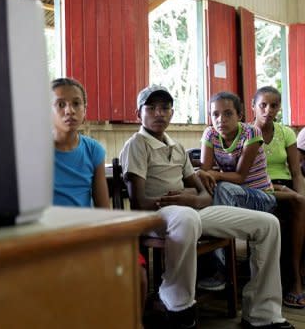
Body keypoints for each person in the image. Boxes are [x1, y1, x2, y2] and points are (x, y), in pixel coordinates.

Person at [120, 85, 293, 329]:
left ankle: (262, 313)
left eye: (165, 108)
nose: (159, 113)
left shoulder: (177, 147)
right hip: (157, 217)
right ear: (139, 114)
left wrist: (191, 200)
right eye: (151, 108)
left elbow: (203, 195)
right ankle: (177, 305)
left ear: (171, 113)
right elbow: (139, 203)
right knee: (186, 218)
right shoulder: (136, 144)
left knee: (267, 224)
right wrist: (179, 201)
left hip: (190, 213)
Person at [51, 77, 149, 317]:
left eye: (76, 104)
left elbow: (103, 208)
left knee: (139, 274)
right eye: (60, 104)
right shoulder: (34, 149)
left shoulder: (93, 150)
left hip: (86, 230)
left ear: (85, 109)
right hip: (48, 233)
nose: (69, 111)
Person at [252, 86, 305, 308]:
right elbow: (246, 174)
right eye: (263, 105)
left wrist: (300, 194)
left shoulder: (286, 133)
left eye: (274, 106)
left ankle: (296, 276)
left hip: (286, 185)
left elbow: (296, 171)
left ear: (279, 108)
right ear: (253, 106)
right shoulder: (245, 132)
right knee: (295, 203)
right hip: (259, 187)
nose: (268, 110)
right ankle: (294, 278)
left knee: (300, 204)